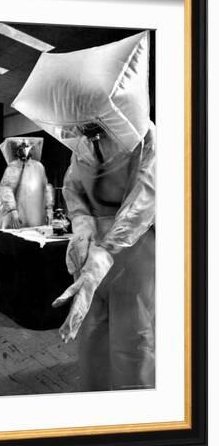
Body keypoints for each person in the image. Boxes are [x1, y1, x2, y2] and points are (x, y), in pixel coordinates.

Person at [10, 31, 155, 391]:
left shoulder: (147, 139)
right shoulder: (82, 145)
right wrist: (83, 225)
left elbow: (144, 200)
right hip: (92, 250)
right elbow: (74, 187)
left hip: (135, 253)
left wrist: (104, 251)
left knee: (133, 341)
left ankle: (135, 425)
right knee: (92, 337)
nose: (85, 133)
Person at [0, 138, 54, 229]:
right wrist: (12, 210)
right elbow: (6, 188)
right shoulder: (13, 167)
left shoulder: (38, 167)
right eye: (21, 148)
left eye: (26, 147)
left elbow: (46, 188)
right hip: (19, 216)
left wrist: (49, 208)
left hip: (37, 215)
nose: (24, 150)